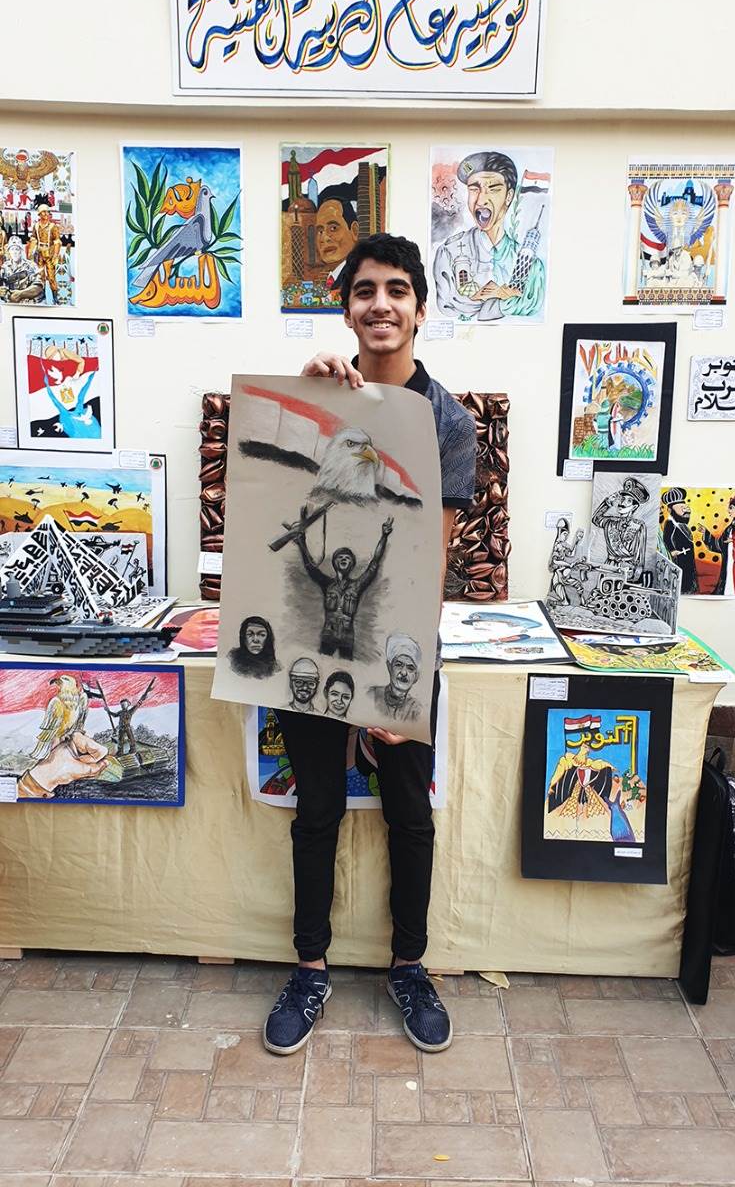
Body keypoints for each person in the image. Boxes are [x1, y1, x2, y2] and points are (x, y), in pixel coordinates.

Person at [264, 232, 476, 1058]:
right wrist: (302, 398)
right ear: (346, 310)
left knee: (408, 815)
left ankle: (409, 967)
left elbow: (432, 558)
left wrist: (401, 683)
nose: (380, 304)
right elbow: (281, 509)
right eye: (364, 291)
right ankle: (309, 968)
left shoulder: (446, 421)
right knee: (316, 809)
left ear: (420, 309)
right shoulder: (317, 396)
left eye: (396, 290)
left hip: (401, 649)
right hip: (313, 642)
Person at [432, 151, 545, 322]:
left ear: (508, 196)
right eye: (474, 189)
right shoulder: (448, 253)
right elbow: (447, 305)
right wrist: (500, 297)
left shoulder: (533, 266)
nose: (481, 200)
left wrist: (490, 299)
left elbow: (531, 303)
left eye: (493, 189)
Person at [293, 519, 393, 658]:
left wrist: (384, 536)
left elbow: (374, 563)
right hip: (328, 635)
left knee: (347, 667)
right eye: (340, 557)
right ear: (334, 563)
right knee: (322, 664)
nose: (344, 559)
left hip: (347, 638)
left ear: (352, 564)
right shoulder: (327, 584)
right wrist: (302, 543)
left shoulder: (357, 586)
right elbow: (311, 568)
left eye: (347, 557)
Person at [591, 477, 650, 582]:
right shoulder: (610, 522)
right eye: (622, 498)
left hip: (627, 568)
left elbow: (640, 554)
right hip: (609, 566)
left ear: (634, 507)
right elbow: (595, 519)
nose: (623, 503)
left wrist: (637, 572)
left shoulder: (638, 525)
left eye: (629, 501)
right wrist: (608, 502)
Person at [369, 633, 423, 722]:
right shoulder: (372, 695)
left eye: (410, 668)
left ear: (416, 676)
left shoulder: (416, 709)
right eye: (398, 665)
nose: (404, 672)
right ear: (389, 667)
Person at [315, 194, 359, 291]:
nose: (324, 238)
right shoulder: (331, 278)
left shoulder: (358, 275)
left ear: (354, 231)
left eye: (333, 228)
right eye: (320, 231)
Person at [702, 493, 735, 597]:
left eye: (731, 508)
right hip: (728, 564)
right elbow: (720, 545)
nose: (729, 511)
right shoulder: (730, 528)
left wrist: (734, 541)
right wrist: (707, 534)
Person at [661, 487, 698, 593]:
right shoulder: (670, 523)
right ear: (670, 510)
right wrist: (672, 550)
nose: (685, 509)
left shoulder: (682, 524)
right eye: (681, 507)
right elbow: (667, 538)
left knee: (690, 576)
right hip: (679, 558)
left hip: (688, 558)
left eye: (685, 506)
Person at [0, 235, 44, 302]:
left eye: (17, 249)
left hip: (30, 303)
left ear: (21, 251)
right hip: (10, 304)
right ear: (9, 252)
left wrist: (21, 294)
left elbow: (38, 287)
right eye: (12, 249)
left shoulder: (31, 265)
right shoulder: (5, 267)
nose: (14, 252)